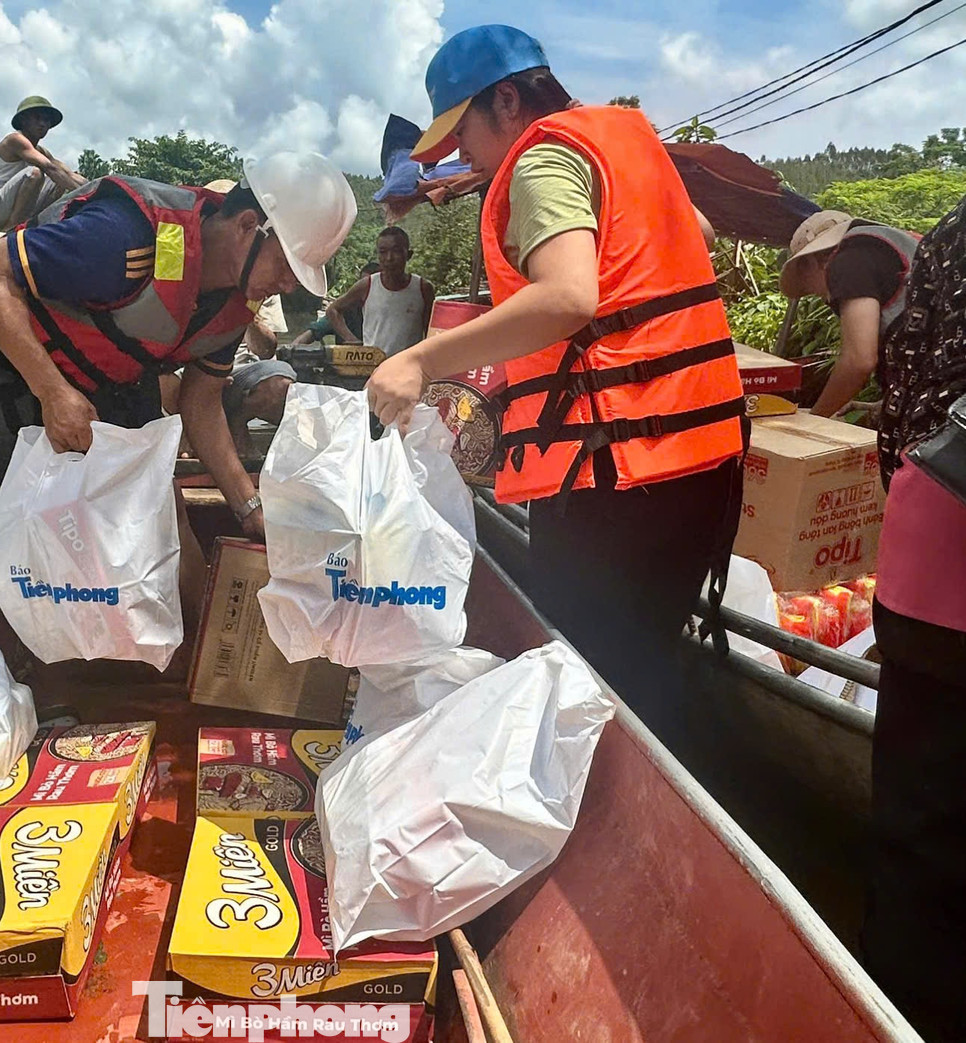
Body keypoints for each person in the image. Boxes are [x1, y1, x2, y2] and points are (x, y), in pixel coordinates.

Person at [366, 25, 747, 710]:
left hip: (615, 471)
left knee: (580, 681)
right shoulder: (624, 144)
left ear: (507, 100)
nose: (463, 154)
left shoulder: (542, 158)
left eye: (462, 133)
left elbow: (568, 297)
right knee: (642, 669)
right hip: (699, 460)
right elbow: (700, 233)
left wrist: (419, 360)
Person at [0, 151, 357, 546]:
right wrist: (52, 392)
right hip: (12, 350)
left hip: (113, 369)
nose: (288, 285)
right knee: (38, 515)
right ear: (248, 224)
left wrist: (248, 507)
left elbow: (201, 402)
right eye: (286, 265)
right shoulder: (124, 235)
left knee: (160, 508)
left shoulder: (236, 301)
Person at [856, 194, 966, 1043]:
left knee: (921, 820)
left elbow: (899, 383)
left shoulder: (952, 232)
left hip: (940, 538)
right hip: (942, 549)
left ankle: (901, 1013)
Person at [779, 210, 919, 417]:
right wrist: (884, 406)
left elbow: (859, 360)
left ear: (813, 262)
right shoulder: (882, 250)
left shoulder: (849, 261)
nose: (823, 298)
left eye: (809, 287)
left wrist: (817, 417)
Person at [0, 95, 84, 231]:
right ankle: (11, 229)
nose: (42, 124)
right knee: (35, 173)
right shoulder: (15, 140)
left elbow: (67, 173)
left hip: (15, 207)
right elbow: (50, 168)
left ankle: (33, 226)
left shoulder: (40, 151)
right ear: (24, 120)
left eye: (46, 120)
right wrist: (84, 194)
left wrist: (95, 188)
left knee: (59, 181)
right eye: (37, 118)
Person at [327, 228, 434, 354]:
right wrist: (351, 339)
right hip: (373, 363)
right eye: (383, 252)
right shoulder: (368, 286)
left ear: (408, 255)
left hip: (407, 364)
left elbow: (431, 332)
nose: (389, 258)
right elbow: (333, 310)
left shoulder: (422, 289)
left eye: (396, 251)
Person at [291, 262, 379, 346]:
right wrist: (351, 339)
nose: (365, 290)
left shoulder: (385, 314)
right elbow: (314, 331)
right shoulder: (345, 312)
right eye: (362, 286)